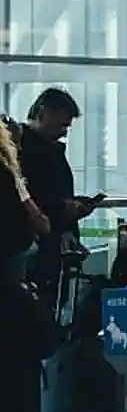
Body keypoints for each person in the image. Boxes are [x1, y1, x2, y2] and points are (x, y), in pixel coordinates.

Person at [18, 88, 96, 297]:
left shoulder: (51, 150)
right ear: (43, 114)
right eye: (61, 125)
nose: (64, 132)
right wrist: (63, 208)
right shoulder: (23, 151)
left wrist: (72, 207)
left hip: (55, 244)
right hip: (37, 247)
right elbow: (27, 197)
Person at [0, 117, 48, 281]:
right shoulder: (10, 174)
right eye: (14, 142)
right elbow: (38, 219)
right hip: (11, 252)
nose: (19, 148)